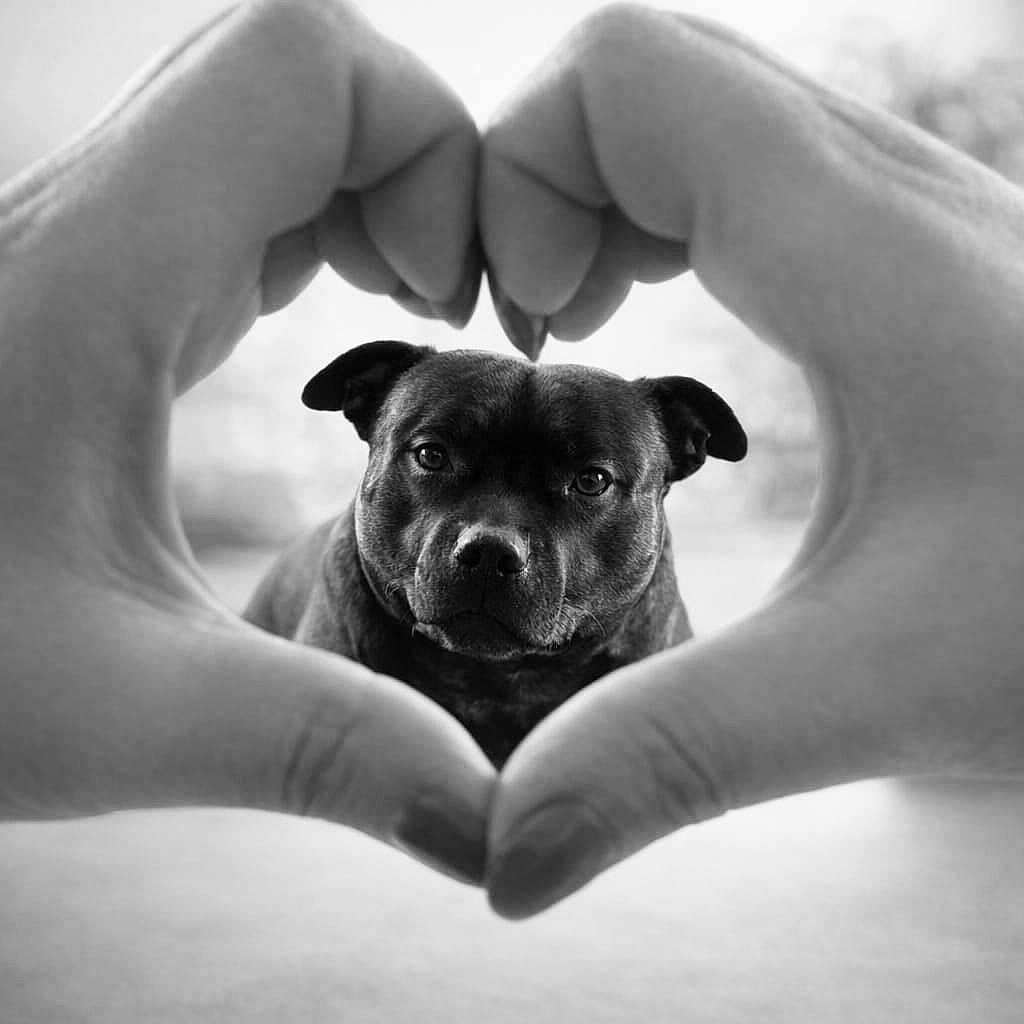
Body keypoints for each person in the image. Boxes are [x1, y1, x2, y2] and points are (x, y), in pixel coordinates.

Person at [2, 0, 1023, 921]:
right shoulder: (330, 622)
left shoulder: (659, 648)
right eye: (436, 455)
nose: (489, 534)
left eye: (587, 482)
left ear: (677, 463)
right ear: (366, 422)